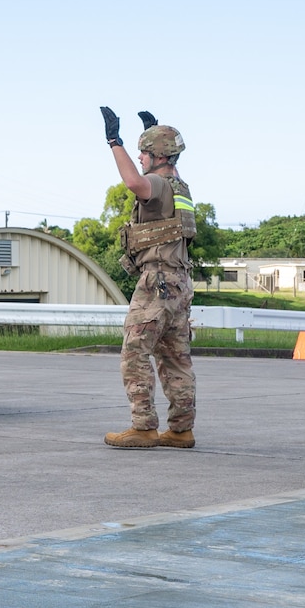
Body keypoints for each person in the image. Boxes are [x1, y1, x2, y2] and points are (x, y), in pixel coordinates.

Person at [99, 107, 197, 449]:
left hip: (157, 282)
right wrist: (153, 132)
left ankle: (143, 426)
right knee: (175, 356)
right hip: (180, 283)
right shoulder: (179, 186)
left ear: (158, 156)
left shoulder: (155, 183)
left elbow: (135, 184)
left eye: (144, 152)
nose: (139, 157)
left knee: (134, 351)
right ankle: (181, 430)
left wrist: (114, 142)